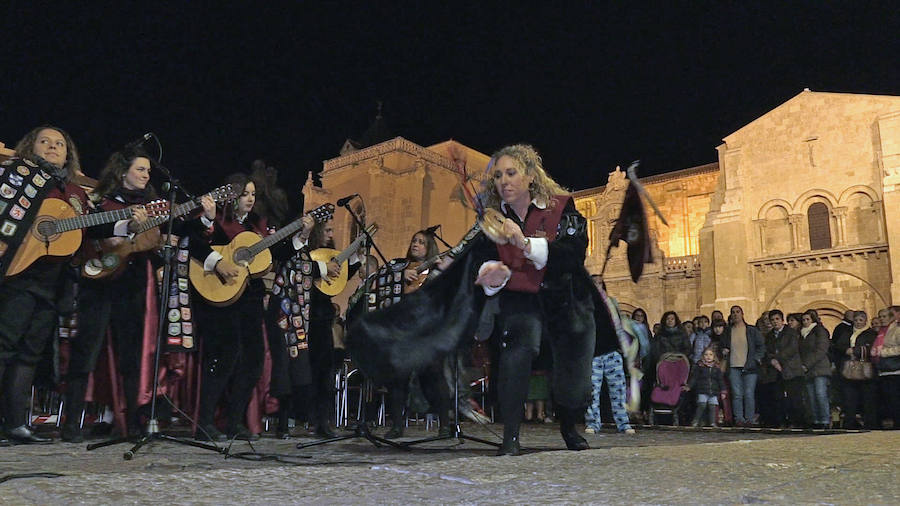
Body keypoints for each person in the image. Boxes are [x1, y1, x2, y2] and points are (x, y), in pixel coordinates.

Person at [62, 146, 215, 442]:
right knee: (87, 353)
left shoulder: (155, 206)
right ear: (122, 172)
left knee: (132, 355)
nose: (147, 174)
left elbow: (182, 228)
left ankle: (133, 422)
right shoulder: (101, 202)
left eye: (148, 170)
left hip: (134, 284)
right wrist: (126, 226)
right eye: (141, 169)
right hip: (99, 283)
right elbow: (92, 232)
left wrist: (206, 218)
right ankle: (72, 424)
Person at [0, 126, 142, 444]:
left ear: (68, 154)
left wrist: (126, 222)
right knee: (4, 348)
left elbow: (91, 226)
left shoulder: (75, 193)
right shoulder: (15, 177)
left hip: (53, 285)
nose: (53, 147)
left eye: (60, 144)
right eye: (45, 141)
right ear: (29, 147)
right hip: (17, 276)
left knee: (28, 354)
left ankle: (14, 423)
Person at [472, 144, 605, 455]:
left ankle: (568, 424)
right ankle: (511, 436)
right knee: (518, 349)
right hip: (522, 299)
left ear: (530, 176)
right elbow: (481, 258)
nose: (503, 181)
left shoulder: (562, 208)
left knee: (575, 381)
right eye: (498, 176)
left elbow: (574, 254)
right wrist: (490, 272)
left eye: (511, 173)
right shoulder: (491, 221)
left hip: (566, 299)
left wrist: (525, 243)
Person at [190, 173, 300, 441]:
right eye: (245, 194)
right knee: (224, 358)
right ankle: (205, 421)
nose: (250, 199)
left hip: (250, 299)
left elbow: (275, 256)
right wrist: (218, 262)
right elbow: (194, 243)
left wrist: (302, 235)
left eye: (253, 194)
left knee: (253, 361)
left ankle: (234, 421)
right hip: (220, 297)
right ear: (232, 196)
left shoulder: (257, 227)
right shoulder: (215, 220)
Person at [297, 215, 362, 438]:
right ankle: (293, 417)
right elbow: (302, 270)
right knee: (302, 368)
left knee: (324, 370)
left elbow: (340, 277)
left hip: (322, 317)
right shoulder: (307, 254)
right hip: (302, 315)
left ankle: (321, 421)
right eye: (327, 231)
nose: (331, 235)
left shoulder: (332, 258)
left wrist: (354, 255)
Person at [385, 230, 450, 438]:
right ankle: (396, 425)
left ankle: (445, 424)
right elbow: (379, 279)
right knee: (398, 378)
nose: (416, 244)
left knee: (434, 376)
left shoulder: (437, 272)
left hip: (427, 332)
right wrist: (398, 276)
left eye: (422, 242)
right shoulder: (399, 265)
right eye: (414, 240)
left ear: (429, 247)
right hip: (402, 330)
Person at [584, 276, 635, 435]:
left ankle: (623, 423)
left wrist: (625, 350)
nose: (598, 286)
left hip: (612, 352)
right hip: (594, 353)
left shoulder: (611, 303)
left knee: (618, 390)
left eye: (600, 283)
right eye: (594, 283)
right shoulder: (586, 304)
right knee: (593, 390)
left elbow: (619, 326)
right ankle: (593, 422)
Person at [832, 311, 878, 428]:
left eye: (860, 320)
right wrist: (846, 350)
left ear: (865, 321)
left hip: (865, 369)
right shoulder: (847, 333)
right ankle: (850, 423)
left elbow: (872, 348)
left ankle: (870, 423)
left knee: (867, 398)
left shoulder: (870, 334)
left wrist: (855, 351)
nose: (858, 323)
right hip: (849, 369)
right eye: (856, 320)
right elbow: (837, 345)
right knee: (849, 397)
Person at [720, 305, 765, 427]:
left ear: (742, 314)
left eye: (738, 312)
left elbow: (761, 346)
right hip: (734, 366)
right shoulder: (728, 331)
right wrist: (723, 350)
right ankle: (739, 418)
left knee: (749, 393)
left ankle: (750, 419)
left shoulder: (752, 330)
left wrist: (756, 359)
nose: (735, 314)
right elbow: (722, 345)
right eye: (733, 312)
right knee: (737, 394)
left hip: (750, 367)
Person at [763, 309, 804, 428]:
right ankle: (781, 421)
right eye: (772, 320)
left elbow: (792, 349)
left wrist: (777, 359)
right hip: (775, 372)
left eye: (777, 319)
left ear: (782, 320)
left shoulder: (791, 333)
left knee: (794, 397)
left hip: (791, 369)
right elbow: (767, 351)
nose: (775, 322)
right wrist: (772, 361)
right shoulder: (769, 336)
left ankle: (797, 422)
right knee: (778, 397)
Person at [798, 310, 832, 428]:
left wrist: (806, 364)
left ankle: (825, 420)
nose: (805, 322)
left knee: (820, 394)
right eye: (803, 320)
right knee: (811, 396)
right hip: (807, 369)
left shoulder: (819, 331)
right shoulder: (801, 334)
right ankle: (817, 420)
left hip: (819, 367)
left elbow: (821, 350)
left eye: (808, 319)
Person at [683, 347, 725, 427]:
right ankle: (696, 420)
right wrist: (689, 386)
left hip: (713, 391)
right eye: (706, 354)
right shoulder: (700, 367)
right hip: (702, 390)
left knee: (712, 407)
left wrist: (723, 391)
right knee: (702, 405)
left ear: (714, 356)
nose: (708, 356)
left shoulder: (716, 368)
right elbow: (694, 378)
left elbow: (720, 380)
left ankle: (712, 422)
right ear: (702, 356)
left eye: (710, 354)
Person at [874, 306, 900, 429]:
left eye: (884, 316)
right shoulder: (881, 331)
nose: (881, 319)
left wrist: (884, 352)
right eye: (880, 316)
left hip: (895, 369)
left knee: (895, 398)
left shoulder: (896, 330)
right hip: (883, 370)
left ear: (891, 317)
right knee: (888, 399)